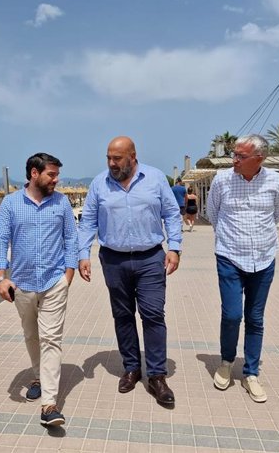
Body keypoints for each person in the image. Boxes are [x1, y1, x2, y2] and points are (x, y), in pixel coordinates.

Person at [78, 136, 182, 406]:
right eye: (109, 158)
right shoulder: (99, 183)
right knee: (122, 315)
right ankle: (132, 368)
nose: (112, 163)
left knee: (153, 314)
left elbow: (171, 214)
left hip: (150, 258)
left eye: (117, 158)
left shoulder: (156, 178)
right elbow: (88, 221)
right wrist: (83, 255)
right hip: (113, 259)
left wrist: (175, 248)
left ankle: (157, 375)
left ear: (133, 156)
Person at [0, 152, 78, 427]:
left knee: (51, 339)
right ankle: (38, 376)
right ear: (34, 174)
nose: (56, 179)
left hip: (54, 282)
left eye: (56, 174)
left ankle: (49, 405)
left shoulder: (61, 202)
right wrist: (0, 278)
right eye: (51, 174)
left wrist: (68, 275)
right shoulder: (10, 204)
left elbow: (71, 239)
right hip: (23, 284)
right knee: (32, 335)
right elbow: (0, 241)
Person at [206, 134, 279, 403]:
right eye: (235, 154)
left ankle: (251, 372)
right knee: (231, 314)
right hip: (229, 256)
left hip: (264, 259)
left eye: (241, 156)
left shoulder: (276, 180)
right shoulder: (222, 179)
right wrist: (230, 238)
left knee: (255, 318)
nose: (235, 160)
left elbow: (277, 213)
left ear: (259, 159)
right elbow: (213, 213)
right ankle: (227, 361)